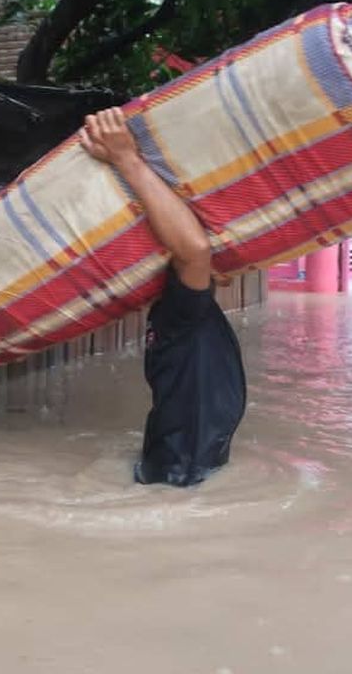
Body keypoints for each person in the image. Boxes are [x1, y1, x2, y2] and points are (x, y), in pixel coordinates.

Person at [81, 107, 247, 487]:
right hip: (179, 476)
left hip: (176, 466)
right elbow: (196, 249)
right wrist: (127, 159)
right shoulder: (180, 313)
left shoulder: (179, 315)